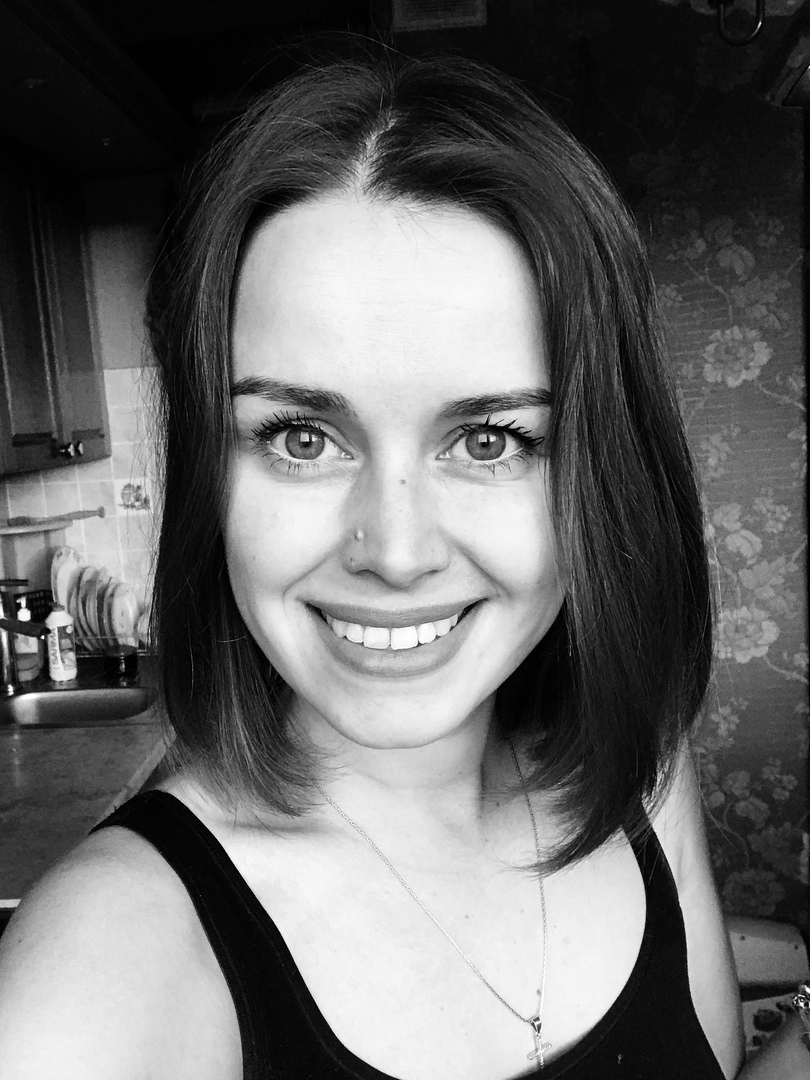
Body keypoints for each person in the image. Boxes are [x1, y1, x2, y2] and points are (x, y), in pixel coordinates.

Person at [0, 53, 806, 1080]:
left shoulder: (641, 773)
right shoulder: (100, 977)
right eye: (300, 438)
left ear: (601, 472)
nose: (394, 551)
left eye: (489, 440)